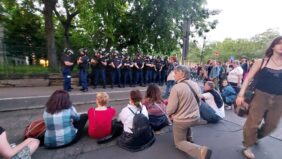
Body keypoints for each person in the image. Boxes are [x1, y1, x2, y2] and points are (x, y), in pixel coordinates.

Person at [236, 36, 282, 159]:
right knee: (252, 123)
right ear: (273, 46)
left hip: (279, 99)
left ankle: (254, 137)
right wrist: (241, 94)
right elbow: (248, 79)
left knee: (271, 126)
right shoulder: (261, 62)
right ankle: (248, 146)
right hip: (260, 96)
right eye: (279, 43)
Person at [166, 65, 212, 159]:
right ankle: (189, 138)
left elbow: (170, 109)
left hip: (182, 121)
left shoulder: (176, 87)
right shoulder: (195, 84)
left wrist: (170, 114)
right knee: (187, 123)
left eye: (175, 73)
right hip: (195, 117)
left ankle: (200, 151)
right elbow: (199, 102)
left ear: (182, 74)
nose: (174, 75)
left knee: (179, 142)